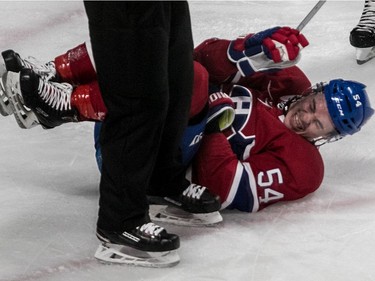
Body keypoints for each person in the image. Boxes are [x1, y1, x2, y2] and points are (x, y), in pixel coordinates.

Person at [0, 24, 373, 245]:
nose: (305, 120)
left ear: (331, 137)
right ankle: (54, 75)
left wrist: (215, 123)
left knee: (191, 78)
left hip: (150, 167)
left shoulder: (304, 166)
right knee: (154, 38)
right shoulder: (288, 80)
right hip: (132, 118)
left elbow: (223, 189)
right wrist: (246, 49)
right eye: (313, 107)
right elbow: (200, 54)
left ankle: (64, 106)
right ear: (313, 91)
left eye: (319, 125)